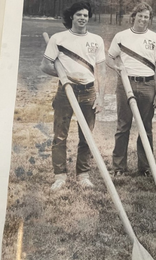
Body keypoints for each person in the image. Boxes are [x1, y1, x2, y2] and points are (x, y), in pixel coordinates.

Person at [40, 2, 106, 190]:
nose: (83, 18)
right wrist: (65, 76)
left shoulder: (97, 40)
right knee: (60, 136)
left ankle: (83, 175)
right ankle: (59, 176)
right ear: (72, 17)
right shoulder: (58, 38)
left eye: (85, 15)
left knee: (87, 136)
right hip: (65, 92)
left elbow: (101, 71)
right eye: (79, 15)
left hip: (88, 92)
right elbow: (45, 66)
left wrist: (101, 97)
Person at [107, 2, 156, 176]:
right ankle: (119, 167)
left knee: (145, 127)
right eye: (140, 15)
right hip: (125, 84)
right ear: (134, 16)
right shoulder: (121, 36)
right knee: (123, 126)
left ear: (150, 19)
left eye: (146, 16)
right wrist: (116, 68)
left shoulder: (155, 38)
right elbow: (110, 58)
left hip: (148, 85)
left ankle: (145, 167)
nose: (143, 19)